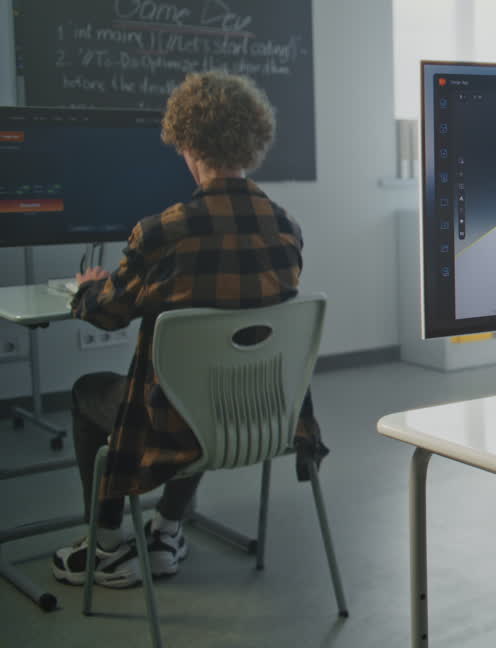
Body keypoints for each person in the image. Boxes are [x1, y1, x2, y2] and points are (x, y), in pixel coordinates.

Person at [51, 71, 326, 589]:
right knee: (206, 375)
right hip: (262, 415)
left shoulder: (161, 232)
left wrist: (87, 288)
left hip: (175, 422)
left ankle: (107, 544)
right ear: (254, 141)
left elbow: (107, 313)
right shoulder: (286, 226)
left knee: (93, 392)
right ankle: (165, 533)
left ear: (184, 143)